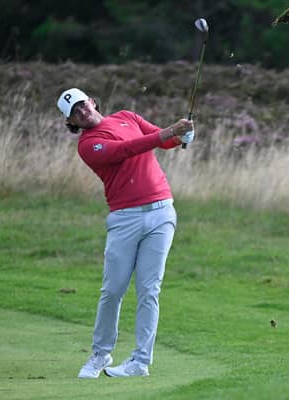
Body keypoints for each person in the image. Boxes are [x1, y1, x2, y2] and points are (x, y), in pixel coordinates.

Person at [56, 88, 194, 378]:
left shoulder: (126, 117)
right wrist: (169, 132)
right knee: (113, 290)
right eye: (75, 114)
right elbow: (126, 150)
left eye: (82, 105)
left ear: (92, 101)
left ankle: (140, 362)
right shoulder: (88, 145)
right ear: (73, 123)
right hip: (124, 218)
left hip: (161, 212)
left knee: (149, 290)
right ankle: (100, 355)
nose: (82, 112)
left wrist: (182, 135)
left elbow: (164, 141)